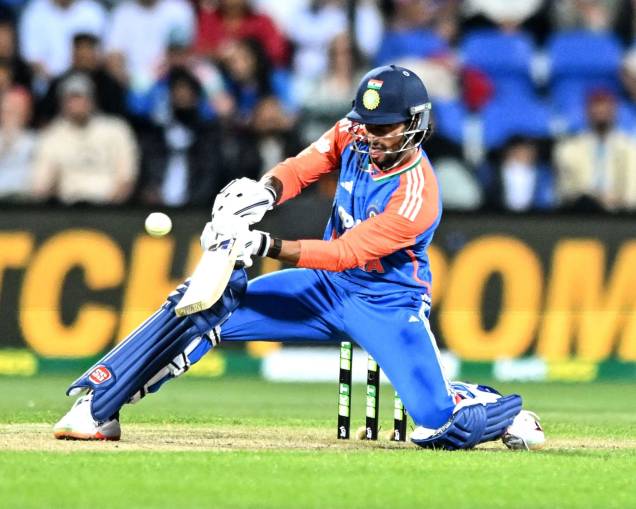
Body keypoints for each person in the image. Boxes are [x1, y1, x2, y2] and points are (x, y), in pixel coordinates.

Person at [53, 65, 526, 450]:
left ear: (415, 125)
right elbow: (305, 166)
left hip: (386, 303)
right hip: (323, 290)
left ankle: (492, 407)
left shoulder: (416, 196)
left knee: (440, 427)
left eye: (384, 127)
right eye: (367, 123)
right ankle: (100, 405)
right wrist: (264, 194)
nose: (371, 135)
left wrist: (264, 244)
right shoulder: (353, 132)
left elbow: (345, 252)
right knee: (207, 303)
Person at [31, 73, 138, 205]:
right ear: (62, 103)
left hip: (110, 206)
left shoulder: (116, 130)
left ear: (92, 100)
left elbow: (126, 178)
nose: (77, 104)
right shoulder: (51, 136)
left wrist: (112, 207)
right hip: (66, 208)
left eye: (81, 98)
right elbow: (41, 184)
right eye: (71, 99)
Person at [554, 89, 636, 211]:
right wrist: (595, 198)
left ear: (614, 111)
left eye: (605, 109)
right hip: (582, 212)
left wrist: (616, 201)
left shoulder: (630, 148)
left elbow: (632, 192)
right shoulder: (568, 149)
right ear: (587, 111)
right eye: (596, 109)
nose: (601, 112)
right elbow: (565, 191)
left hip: (620, 213)